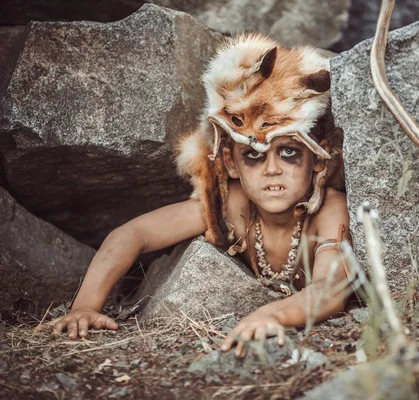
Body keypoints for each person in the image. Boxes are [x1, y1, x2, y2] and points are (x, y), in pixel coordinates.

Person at [43, 33, 353, 358]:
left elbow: (330, 291)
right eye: (253, 155)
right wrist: (85, 307)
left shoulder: (328, 210)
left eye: (288, 152)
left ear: (318, 159)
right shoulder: (233, 204)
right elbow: (134, 233)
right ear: (232, 163)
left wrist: (270, 314)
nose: (271, 169)